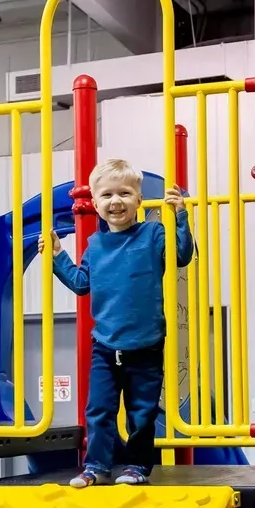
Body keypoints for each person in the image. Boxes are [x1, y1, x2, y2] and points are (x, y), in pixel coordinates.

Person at [39, 159, 194, 486]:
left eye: (125, 193)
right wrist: (57, 257)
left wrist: (180, 216)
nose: (116, 201)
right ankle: (96, 466)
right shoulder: (95, 245)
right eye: (107, 195)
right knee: (99, 411)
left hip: (146, 344)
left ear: (138, 200)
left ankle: (137, 467)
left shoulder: (152, 234)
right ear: (95, 204)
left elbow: (181, 255)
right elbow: (81, 283)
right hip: (105, 346)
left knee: (142, 414)